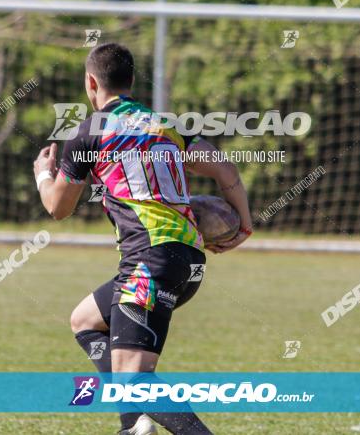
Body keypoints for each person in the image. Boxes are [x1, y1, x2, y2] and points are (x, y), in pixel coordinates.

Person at [34, 42, 253, 434]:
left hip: (148, 261)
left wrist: (43, 175)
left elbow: (58, 208)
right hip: (188, 260)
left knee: (136, 383)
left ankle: (139, 419)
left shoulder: (90, 132)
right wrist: (246, 224)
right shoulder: (164, 124)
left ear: (90, 82)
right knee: (85, 320)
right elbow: (224, 170)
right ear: (132, 81)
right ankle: (134, 426)